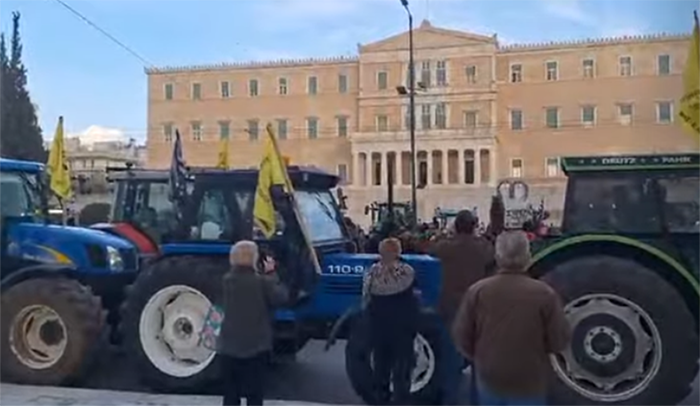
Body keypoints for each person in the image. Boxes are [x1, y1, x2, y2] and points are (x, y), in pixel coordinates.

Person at [452, 231, 571, 406]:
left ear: (497, 256)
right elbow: (559, 340)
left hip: (489, 376)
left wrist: (482, 358)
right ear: (527, 257)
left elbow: (461, 337)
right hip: (530, 379)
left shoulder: (477, 291)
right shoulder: (545, 294)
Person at [428, 209, 495, 406]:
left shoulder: (445, 247)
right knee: (478, 361)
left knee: (450, 359)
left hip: (450, 306)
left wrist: (445, 234)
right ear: (474, 226)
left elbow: (430, 249)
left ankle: (449, 401)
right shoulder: (483, 247)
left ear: (456, 226)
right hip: (477, 307)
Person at [217, 241, 289, 406]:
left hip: (228, 347)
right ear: (255, 259)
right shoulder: (263, 282)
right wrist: (271, 273)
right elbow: (281, 298)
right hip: (256, 347)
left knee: (230, 394)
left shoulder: (225, 281)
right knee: (255, 394)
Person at [362, 237, 420, 406]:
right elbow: (415, 296)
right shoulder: (407, 272)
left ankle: (381, 399)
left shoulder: (372, 272)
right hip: (402, 328)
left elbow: (365, 296)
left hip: (379, 327)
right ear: (398, 252)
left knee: (381, 367)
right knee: (402, 370)